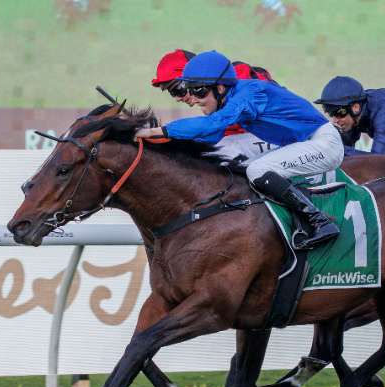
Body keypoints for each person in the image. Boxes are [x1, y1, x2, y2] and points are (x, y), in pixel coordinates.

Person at [136, 50, 343, 249]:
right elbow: (212, 135)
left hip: (324, 144)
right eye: (190, 89)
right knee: (244, 169)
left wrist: (159, 131)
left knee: (257, 170)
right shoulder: (232, 97)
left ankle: (319, 222)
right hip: (305, 144)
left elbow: (214, 124)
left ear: (220, 88)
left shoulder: (249, 93)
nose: (193, 99)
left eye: (199, 90)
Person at [151, 49, 279, 162]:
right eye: (172, 93)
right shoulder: (212, 94)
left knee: (224, 151)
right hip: (258, 138)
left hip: (278, 135)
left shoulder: (239, 73)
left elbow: (219, 126)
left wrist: (168, 132)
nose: (178, 98)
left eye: (178, 89)